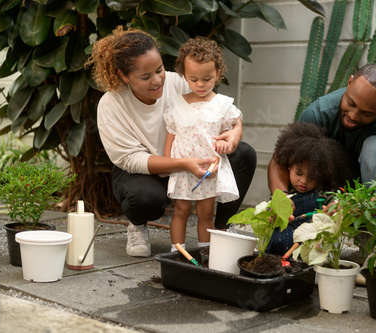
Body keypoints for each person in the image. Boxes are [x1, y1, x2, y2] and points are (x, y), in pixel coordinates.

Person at [87, 27, 256, 257]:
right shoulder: (111, 104)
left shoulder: (179, 82)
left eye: (159, 70)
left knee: (244, 154)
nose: (157, 81)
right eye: (146, 77)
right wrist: (183, 164)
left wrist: (237, 130)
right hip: (142, 172)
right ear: (124, 76)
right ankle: (137, 225)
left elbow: (218, 107)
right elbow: (129, 159)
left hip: (191, 160)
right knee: (145, 198)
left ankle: (222, 228)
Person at [268, 63, 376, 212]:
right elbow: (280, 160)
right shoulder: (320, 112)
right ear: (349, 82)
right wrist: (281, 196)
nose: (353, 116)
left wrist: (360, 207)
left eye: (367, 113)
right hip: (352, 194)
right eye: (351, 103)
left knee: (375, 147)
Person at [163, 37, 241, 252]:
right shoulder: (176, 103)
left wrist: (227, 143)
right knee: (180, 210)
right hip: (181, 167)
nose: (200, 84)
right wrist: (168, 164)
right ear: (184, 76)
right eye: (193, 79)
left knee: (206, 213)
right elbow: (171, 135)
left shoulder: (222, 104)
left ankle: (205, 251)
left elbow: (234, 128)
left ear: (217, 74)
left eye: (207, 79)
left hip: (209, 168)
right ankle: (177, 252)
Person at [264, 123, 358, 255]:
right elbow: (268, 216)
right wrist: (273, 215)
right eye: (299, 173)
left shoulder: (324, 193)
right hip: (278, 246)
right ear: (289, 166)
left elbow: (337, 201)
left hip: (310, 248)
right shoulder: (283, 192)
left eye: (312, 177)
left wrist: (335, 207)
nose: (303, 181)